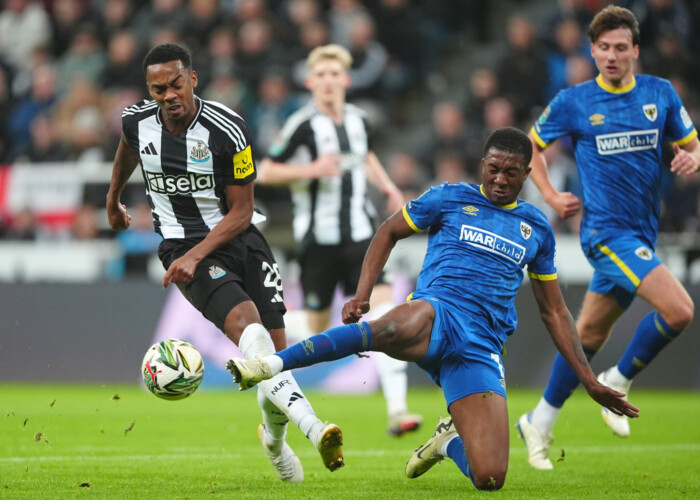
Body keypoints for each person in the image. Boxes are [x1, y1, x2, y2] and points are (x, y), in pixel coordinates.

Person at [226, 127, 639, 490]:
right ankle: (270, 364)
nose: (500, 179)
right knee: (386, 329)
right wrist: (362, 294)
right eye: (494, 169)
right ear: (483, 165)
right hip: (438, 312)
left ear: (527, 174)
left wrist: (589, 381)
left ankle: (446, 442)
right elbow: (388, 231)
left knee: (490, 477)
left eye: (511, 173)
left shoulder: (537, 228)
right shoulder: (449, 197)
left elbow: (555, 312)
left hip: (481, 346)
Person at [105, 43, 344, 483]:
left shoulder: (227, 128)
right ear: (149, 90)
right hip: (182, 247)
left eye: (176, 84)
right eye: (158, 89)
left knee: (277, 358)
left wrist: (197, 255)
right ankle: (315, 428)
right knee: (251, 334)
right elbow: (128, 149)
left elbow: (241, 210)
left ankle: (273, 441)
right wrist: (113, 198)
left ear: (192, 79)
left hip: (240, 239)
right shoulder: (136, 122)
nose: (169, 95)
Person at [516, 5, 699, 471]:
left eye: (620, 47)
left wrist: (693, 157)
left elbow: (692, 144)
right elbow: (531, 145)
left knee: (589, 335)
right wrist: (550, 195)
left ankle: (539, 420)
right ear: (592, 51)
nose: (612, 56)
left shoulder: (660, 93)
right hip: (604, 234)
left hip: (642, 235)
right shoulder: (575, 101)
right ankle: (618, 379)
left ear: (635, 50)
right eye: (603, 48)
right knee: (680, 310)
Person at [257, 44, 422, 436]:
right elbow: (265, 171)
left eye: (335, 74)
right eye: (322, 75)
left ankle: (398, 411)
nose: (329, 82)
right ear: (310, 82)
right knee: (317, 331)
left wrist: (389, 187)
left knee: (384, 314)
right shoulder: (301, 125)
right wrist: (312, 169)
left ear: (346, 80)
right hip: (318, 242)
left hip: (362, 235)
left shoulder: (359, 119)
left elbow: (366, 156)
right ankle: (272, 325)